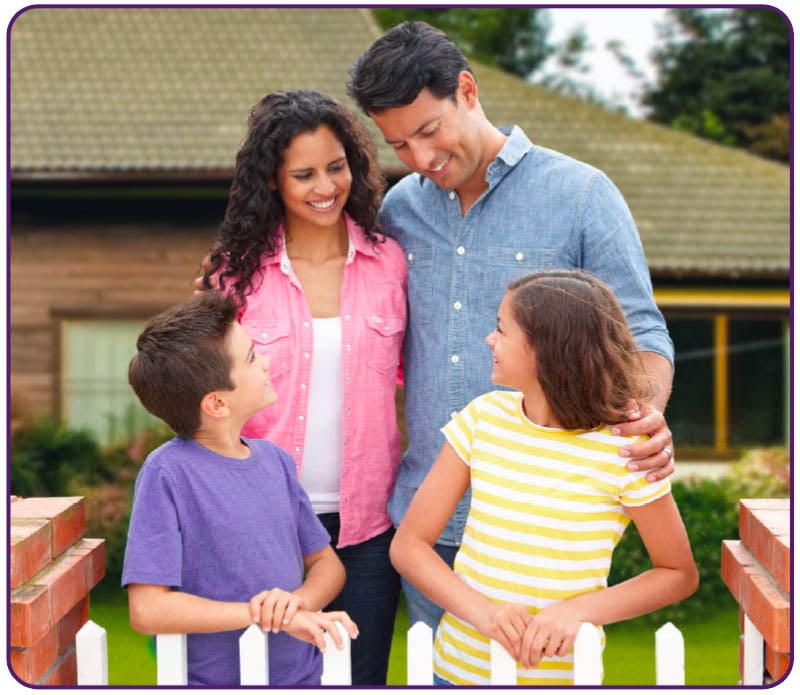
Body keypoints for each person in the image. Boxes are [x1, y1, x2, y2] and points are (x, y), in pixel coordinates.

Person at [347, 21, 678, 630]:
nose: (421, 159)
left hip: (542, 526)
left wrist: (643, 414)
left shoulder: (581, 195)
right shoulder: (400, 209)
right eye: (399, 145)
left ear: (467, 92)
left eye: (428, 131)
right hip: (428, 527)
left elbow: (643, 336)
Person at [390, 270, 698, 685]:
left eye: (501, 329)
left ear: (548, 350)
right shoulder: (482, 421)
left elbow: (677, 573)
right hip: (456, 673)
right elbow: (409, 546)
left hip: (566, 680)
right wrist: (484, 614)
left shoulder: (626, 449)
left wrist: (578, 611)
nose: (489, 339)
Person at [198, 90, 407, 685]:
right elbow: (207, 400)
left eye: (336, 166)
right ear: (272, 180)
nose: (326, 186)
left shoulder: (391, 263)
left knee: (358, 677)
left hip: (367, 527)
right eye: (304, 173)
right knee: (263, 677)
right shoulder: (231, 276)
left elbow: (407, 374)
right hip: (261, 522)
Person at [122, 291, 358, 686]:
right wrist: (257, 613)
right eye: (251, 357)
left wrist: (294, 605)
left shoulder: (276, 462)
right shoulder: (167, 474)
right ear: (216, 403)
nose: (265, 360)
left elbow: (327, 566)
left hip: (303, 677)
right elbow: (147, 609)